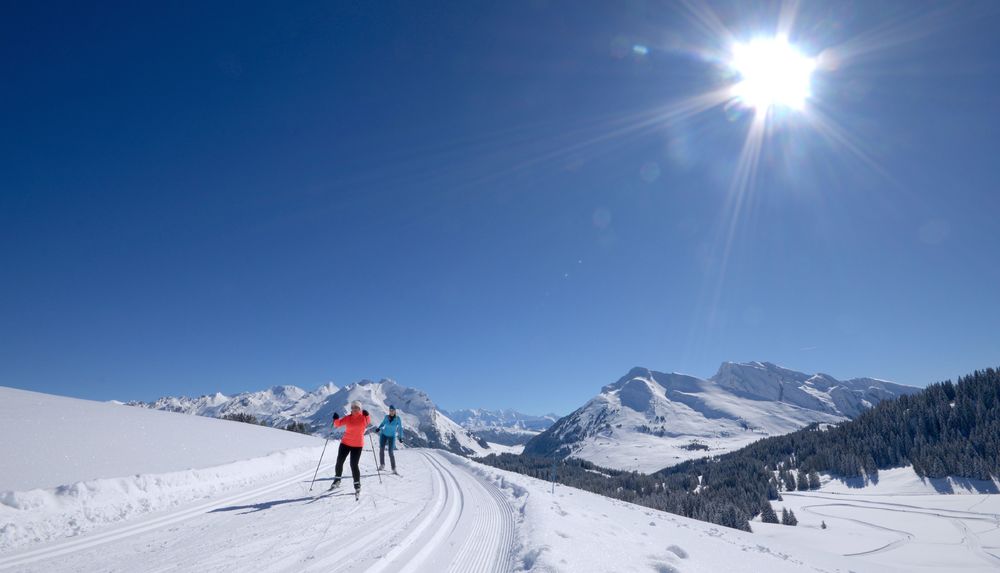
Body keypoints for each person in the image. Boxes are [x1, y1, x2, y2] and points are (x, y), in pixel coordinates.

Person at [330, 400, 371, 493]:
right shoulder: (348, 418)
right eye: (352, 407)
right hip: (345, 443)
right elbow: (338, 424)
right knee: (339, 461)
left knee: (354, 464)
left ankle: (357, 484)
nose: (354, 409)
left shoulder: (363, 418)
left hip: (357, 445)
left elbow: (368, 422)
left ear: (359, 409)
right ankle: (337, 480)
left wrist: (367, 415)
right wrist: (336, 419)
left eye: (356, 407)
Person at [374, 405, 404, 473]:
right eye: (390, 410)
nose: (391, 412)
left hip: (392, 436)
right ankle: (382, 465)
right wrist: (379, 428)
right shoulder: (386, 417)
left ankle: (393, 468)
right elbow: (383, 423)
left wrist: (400, 437)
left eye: (392, 410)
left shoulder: (398, 419)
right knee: (381, 449)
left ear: (395, 411)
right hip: (384, 434)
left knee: (390, 452)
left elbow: (400, 428)